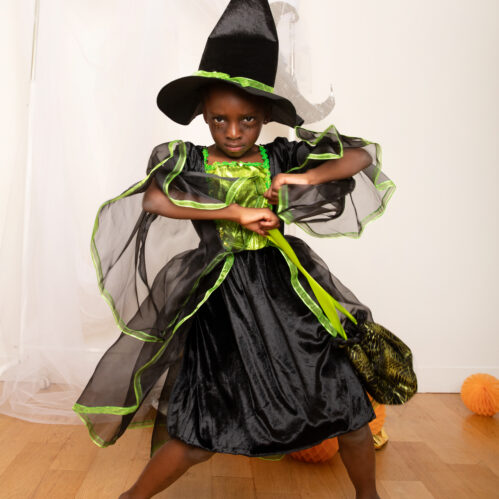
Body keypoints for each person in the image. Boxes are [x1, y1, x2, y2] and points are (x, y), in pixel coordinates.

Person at [74, 1, 407, 498]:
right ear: (203, 116)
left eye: (247, 120)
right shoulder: (191, 159)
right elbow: (155, 198)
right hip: (220, 300)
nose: (233, 132)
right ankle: (131, 498)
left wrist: (305, 176)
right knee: (202, 426)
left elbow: (359, 155)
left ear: (266, 116)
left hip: (284, 291)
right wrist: (232, 212)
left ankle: (369, 496)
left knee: (345, 404)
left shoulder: (279, 155)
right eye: (219, 120)